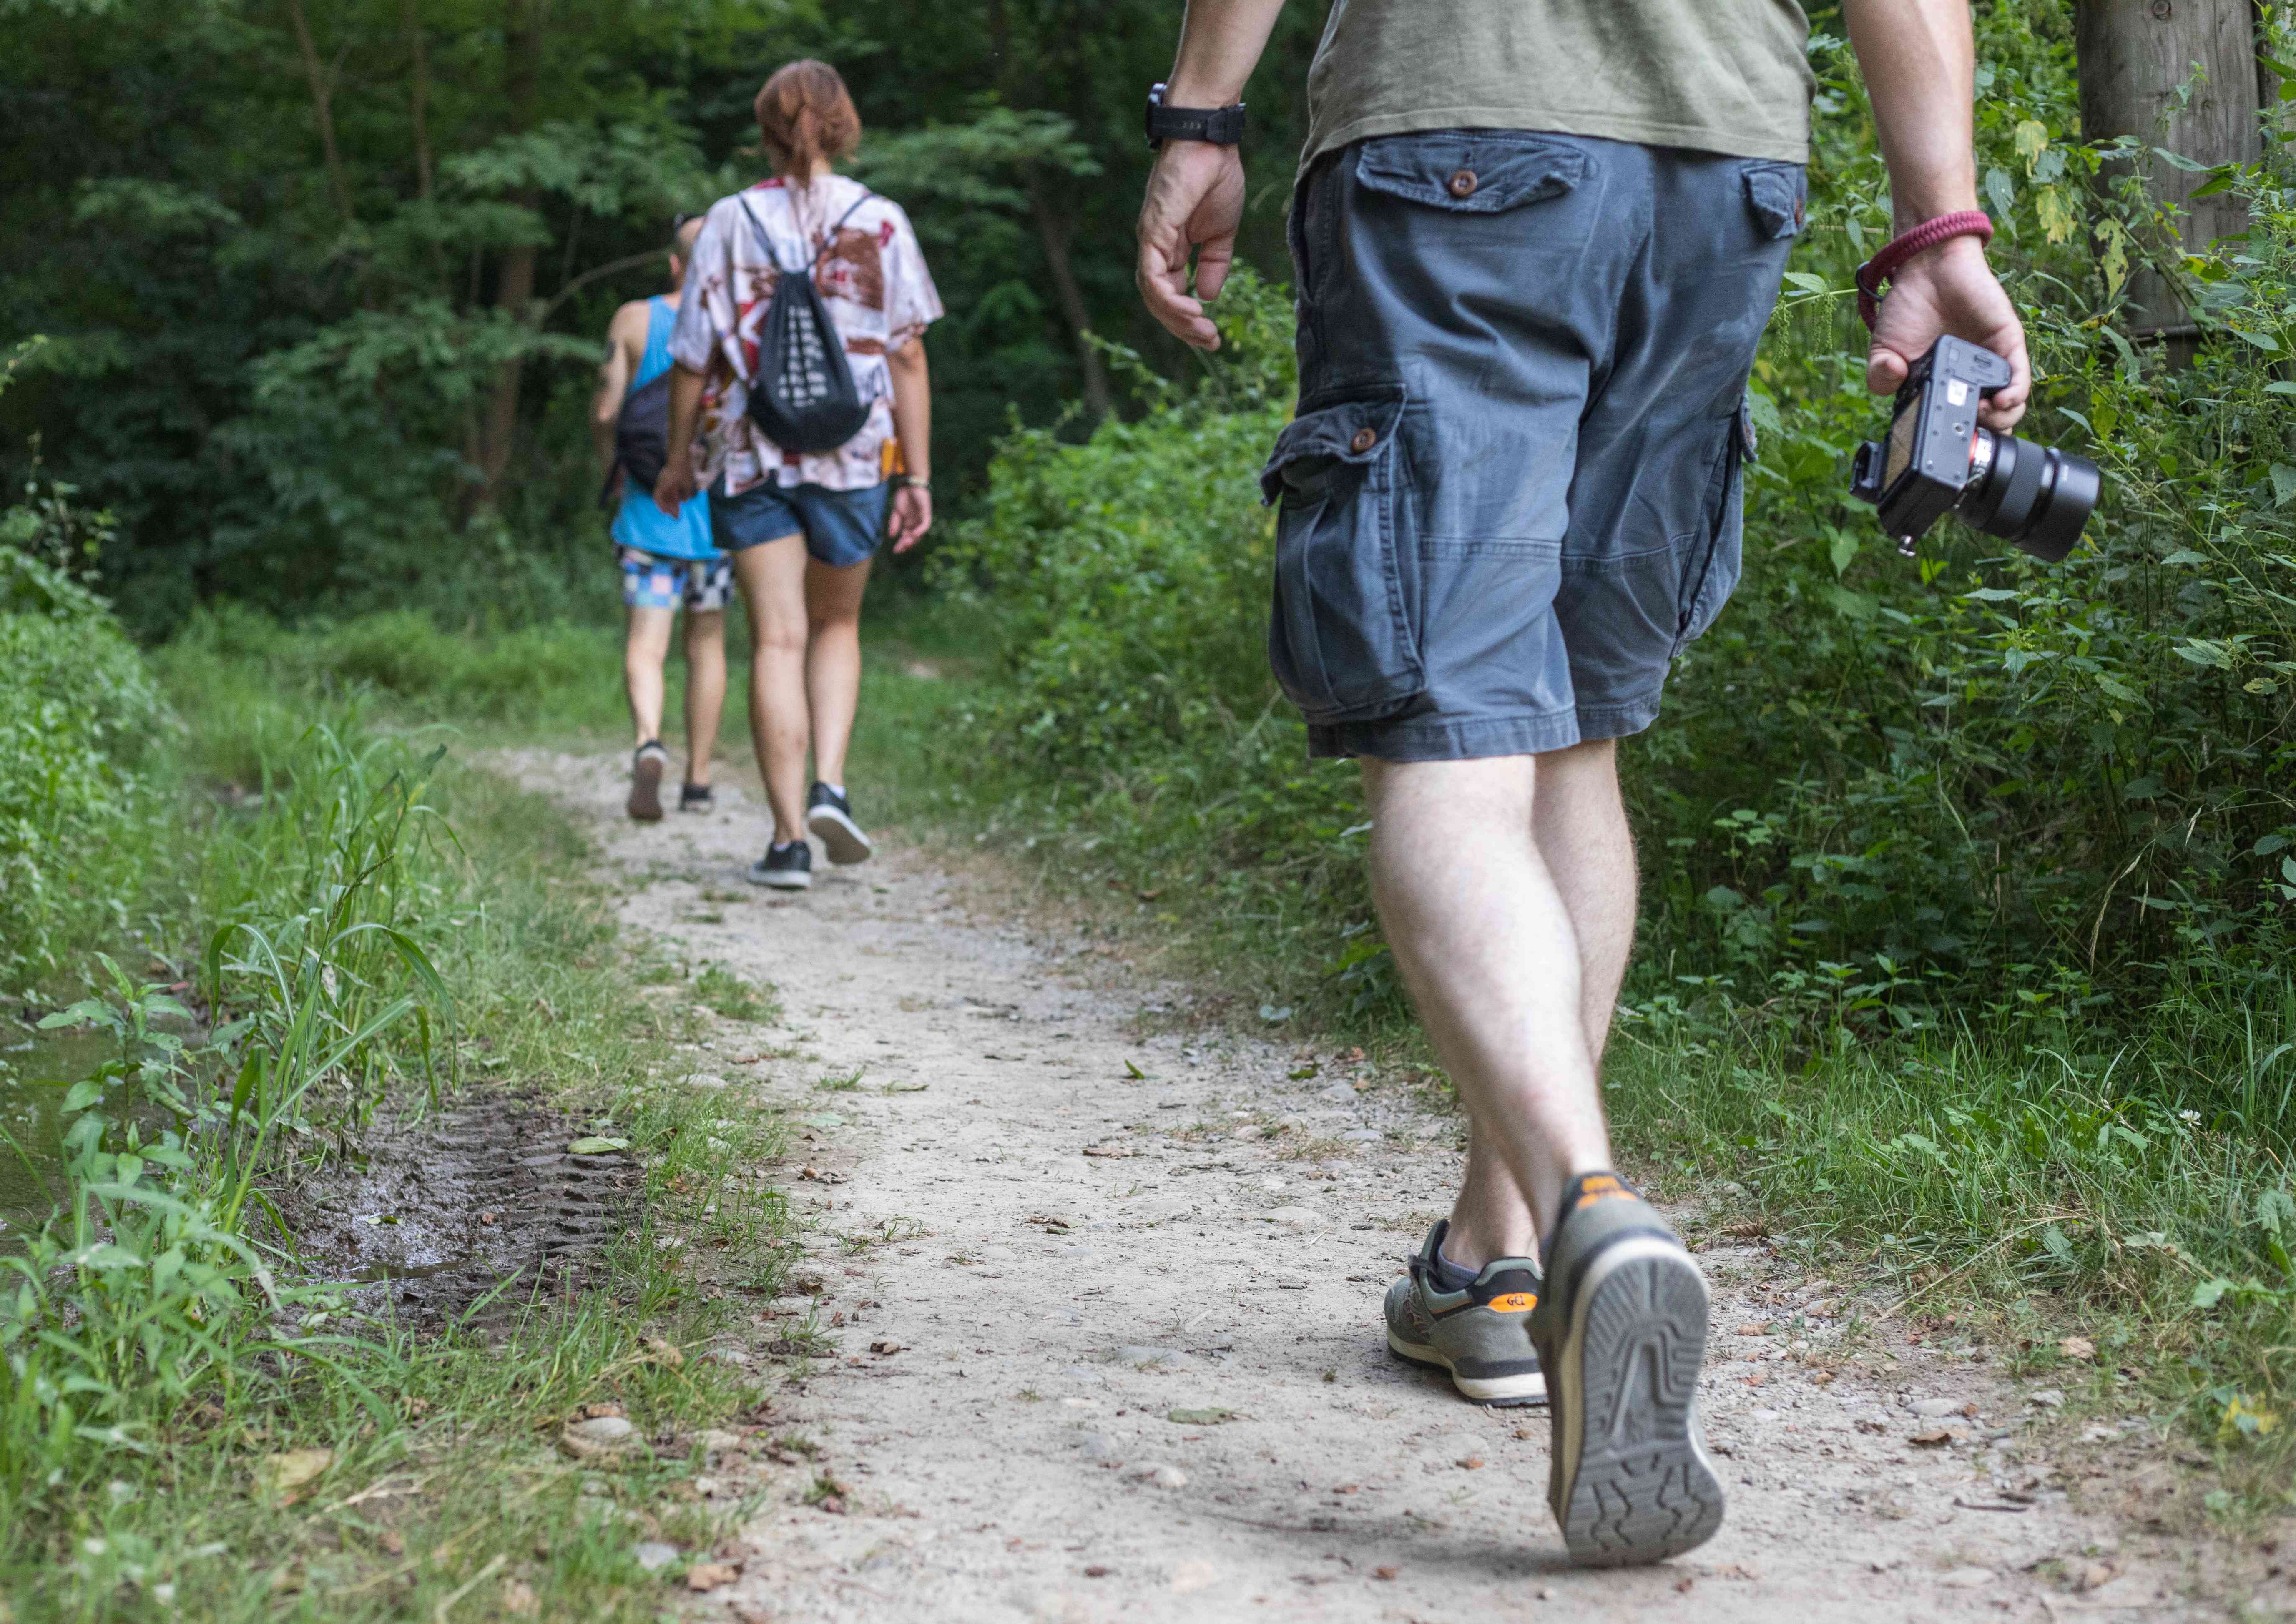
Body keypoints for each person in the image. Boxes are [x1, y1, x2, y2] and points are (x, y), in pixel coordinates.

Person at [1134, 0, 2030, 1568]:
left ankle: (1580, 1210)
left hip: (1456, 127)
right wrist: (1936, 220)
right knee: (1572, 731)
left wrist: (1202, 118)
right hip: (1717, 158)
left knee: (1452, 733)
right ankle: (1488, 1266)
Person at [656, 59, 942, 891]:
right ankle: (832, 785)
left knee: (775, 637)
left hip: (752, 457)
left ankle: (787, 842)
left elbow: (690, 358)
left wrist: (680, 459)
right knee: (836, 627)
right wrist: (917, 476)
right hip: (856, 456)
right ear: (844, 123)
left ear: (766, 132)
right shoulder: (880, 220)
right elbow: (910, 352)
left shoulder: (727, 222)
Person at [593, 212, 732, 823]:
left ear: (675, 264)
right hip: (717, 519)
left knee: (646, 645)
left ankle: (650, 740)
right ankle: (699, 781)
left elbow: (605, 414)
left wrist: (615, 466)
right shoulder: (737, 323)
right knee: (707, 644)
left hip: (648, 512)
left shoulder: (634, 320)